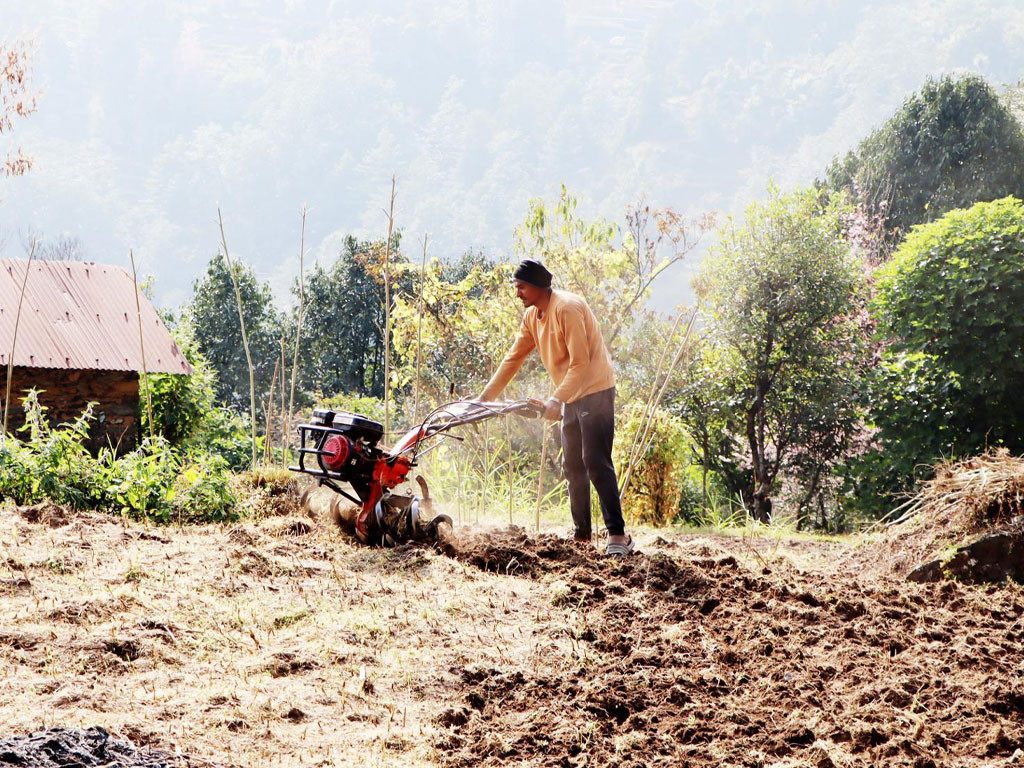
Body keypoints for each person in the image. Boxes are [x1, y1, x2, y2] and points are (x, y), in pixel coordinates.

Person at [479, 259, 634, 556]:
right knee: (572, 464)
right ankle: (582, 536)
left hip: (595, 389)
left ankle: (618, 535)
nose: (518, 293)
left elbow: (581, 362)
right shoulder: (532, 318)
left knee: (595, 460)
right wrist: (485, 398)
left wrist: (557, 399)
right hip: (570, 393)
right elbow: (513, 359)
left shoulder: (567, 308)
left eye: (521, 287)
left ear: (538, 286)